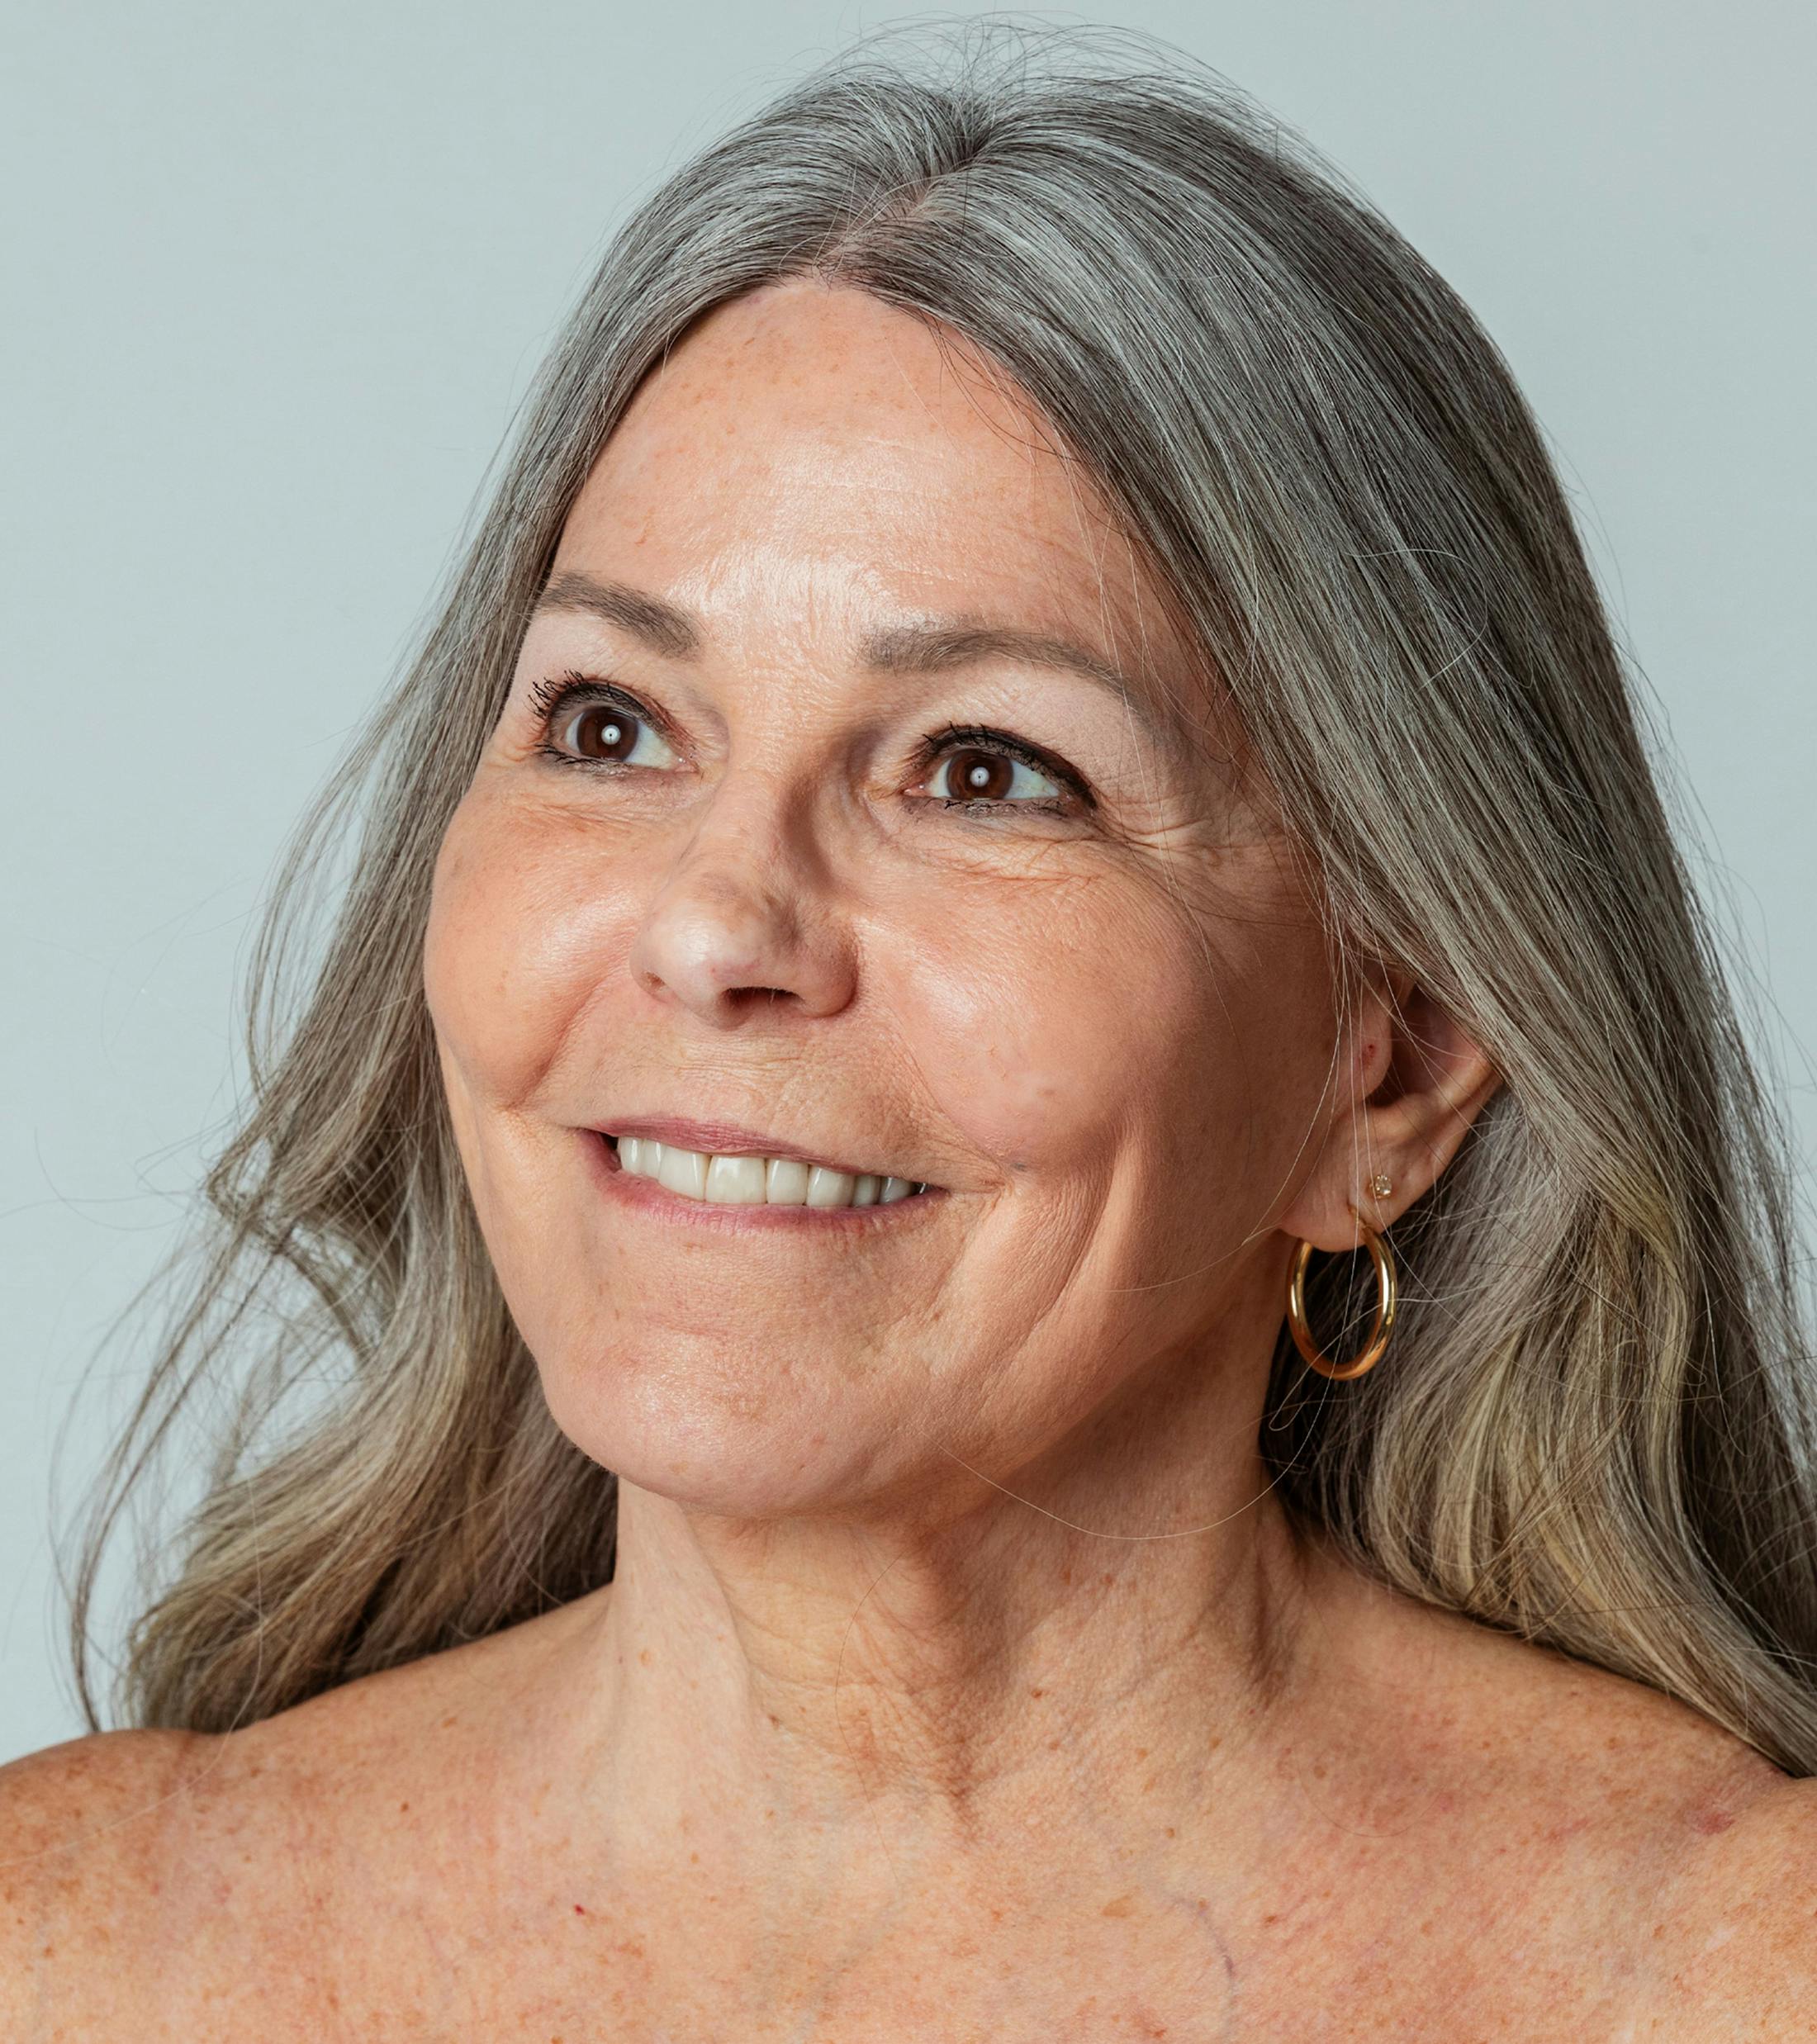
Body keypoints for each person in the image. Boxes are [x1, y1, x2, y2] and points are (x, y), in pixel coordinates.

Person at [5, 21, 1814, 2037]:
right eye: (608, 725)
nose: (714, 925)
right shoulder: (80, 1950)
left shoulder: (1732, 1977)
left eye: (984, 770)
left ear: (1386, 1058)